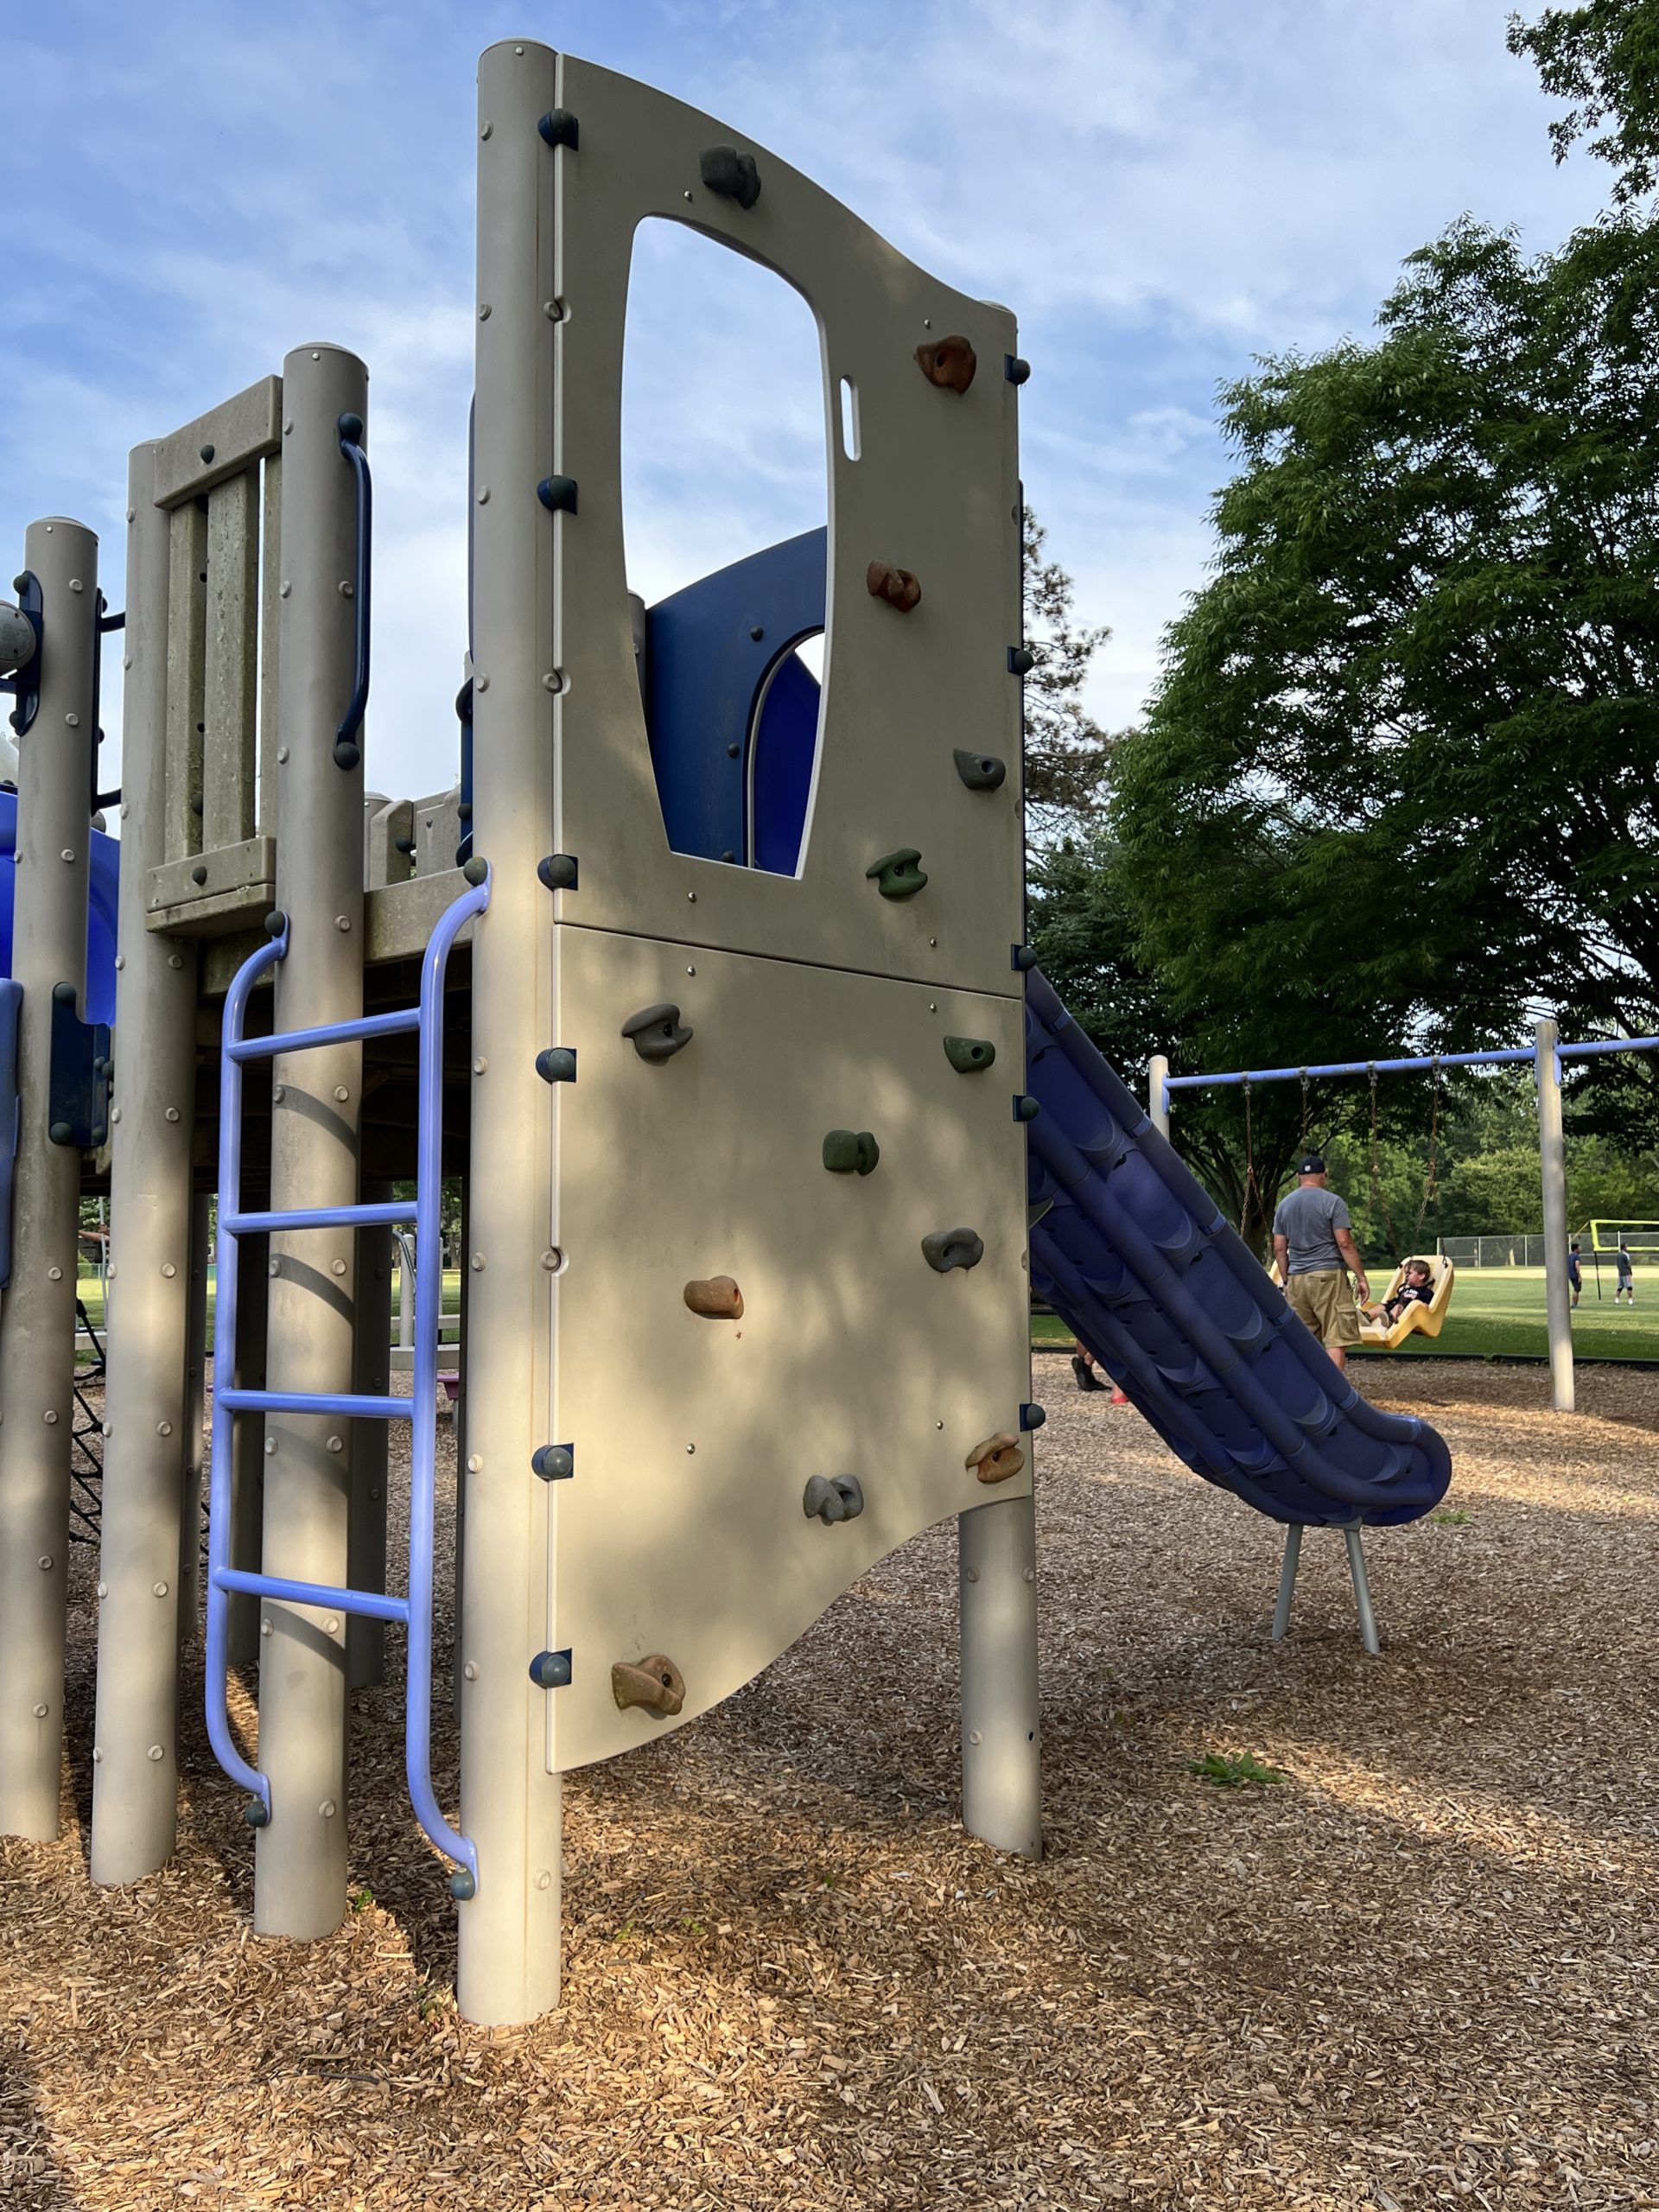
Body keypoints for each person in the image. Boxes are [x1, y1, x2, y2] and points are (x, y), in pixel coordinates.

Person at [1271, 1154, 1370, 1374]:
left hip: (1296, 1279)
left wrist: (1287, 1280)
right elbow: (1344, 1243)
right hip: (1328, 1276)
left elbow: (1279, 1249)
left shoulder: (1284, 1205)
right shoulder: (1333, 1202)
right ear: (1323, 1176)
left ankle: (1305, 1393)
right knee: (1336, 1337)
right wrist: (1361, 1277)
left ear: (1298, 1176)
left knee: (1305, 1341)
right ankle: (1334, 1395)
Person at [1364, 1256, 1435, 1329]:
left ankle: (1390, 1320)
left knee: (1399, 1306)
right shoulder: (1404, 1289)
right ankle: (1366, 1317)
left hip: (1409, 1313)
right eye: (1405, 1274)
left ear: (1421, 1276)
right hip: (1396, 1306)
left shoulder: (1426, 1292)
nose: (1406, 1276)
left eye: (1409, 1273)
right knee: (1382, 1306)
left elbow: (1425, 1307)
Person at [1615, 1238, 1635, 1305]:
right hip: (1626, 1273)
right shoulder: (1626, 1254)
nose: (1627, 1248)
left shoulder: (1618, 1255)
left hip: (1620, 1273)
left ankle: (1616, 1299)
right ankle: (1630, 1300)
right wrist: (1630, 1271)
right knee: (1629, 1287)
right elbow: (1629, 1264)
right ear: (1624, 1247)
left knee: (1620, 1287)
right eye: (1626, 1246)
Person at [1567, 1239, 1582, 1310]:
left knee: (1576, 1289)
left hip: (1570, 1274)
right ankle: (1574, 1304)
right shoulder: (1576, 1256)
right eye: (1579, 1248)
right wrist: (1579, 1276)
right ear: (1576, 1249)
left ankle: (1575, 1304)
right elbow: (1577, 1267)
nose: (1580, 1249)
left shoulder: (1569, 1256)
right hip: (1575, 1275)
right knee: (1576, 1289)